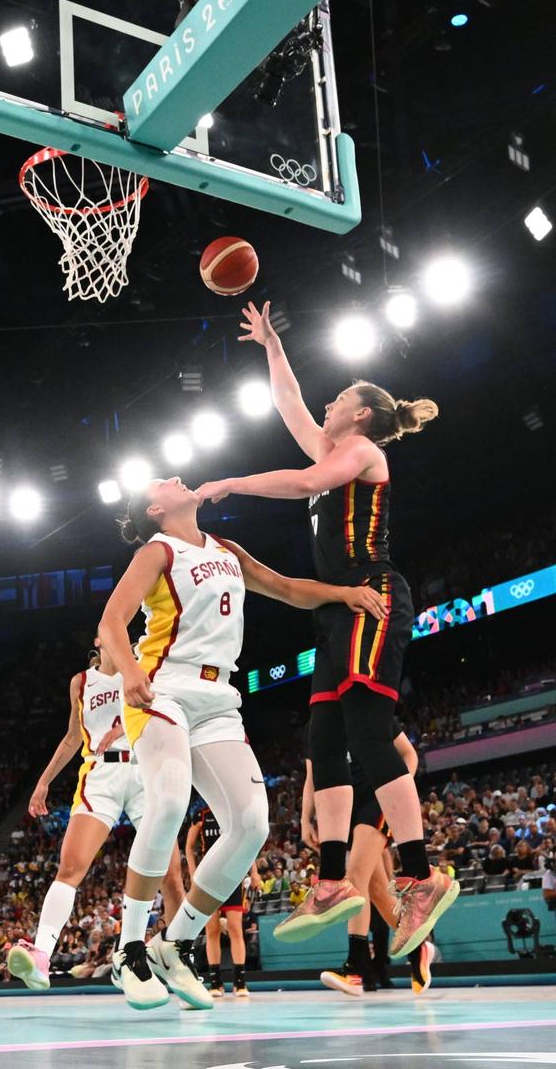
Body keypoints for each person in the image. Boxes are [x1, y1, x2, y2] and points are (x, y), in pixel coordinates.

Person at [196, 302, 456, 959]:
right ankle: (333, 880)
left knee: (368, 727)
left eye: (338, 400)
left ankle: (421, 875)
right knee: (324, 735)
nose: (327, 407)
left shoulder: (360, 451)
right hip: (336, 610)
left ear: (360, 415)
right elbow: (288, 403)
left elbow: (309, 480)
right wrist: (271, 346)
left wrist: (234, 480)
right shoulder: (330, 440)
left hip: (371, 594)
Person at [97, 475, 388, 1010]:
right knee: (166, 803)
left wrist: (343, 594)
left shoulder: (227, 549)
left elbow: (287, 588)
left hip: (218, 697)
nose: (176, 476)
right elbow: (111, 621)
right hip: (163, 687)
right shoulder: (156, 551)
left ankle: (173, 944)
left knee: (252, 824)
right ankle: (129, 948)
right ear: (157, 507)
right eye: (163, 481)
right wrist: (133, 671)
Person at [7, 638, 185, 991]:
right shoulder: (82, 682)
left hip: (143, 768)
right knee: (71, 865)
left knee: (171, 873)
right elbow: (73, 737)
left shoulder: (143, 668)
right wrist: (43, 782)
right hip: (100, 774)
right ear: (99, 640)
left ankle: (179, 959)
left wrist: (125, 727)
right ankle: (41, 955)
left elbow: (165, 710)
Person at [302, 730, 435, 996]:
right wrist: (306, 819)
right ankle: (419, 946)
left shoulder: (364, 704)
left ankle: (355, 969)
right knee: (375, 891)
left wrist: (399, 790)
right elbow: (312, 777)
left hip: (376, 798)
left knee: (354, 879)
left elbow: (409, 753)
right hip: (343, 809)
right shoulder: (317, 721)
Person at [185, 800, 260, 998]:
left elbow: (247, 845)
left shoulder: (233, 814)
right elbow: (189, 847)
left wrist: (254, 872)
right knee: (212, 930)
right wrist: (193, 873)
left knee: (236, 928)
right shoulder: (201, 815)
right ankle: (216, 983)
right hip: (209, 877)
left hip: (233, 875)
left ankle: (240, 983)